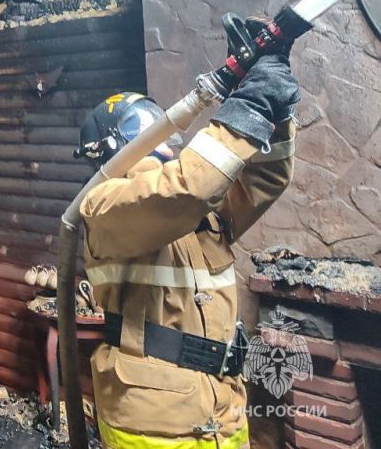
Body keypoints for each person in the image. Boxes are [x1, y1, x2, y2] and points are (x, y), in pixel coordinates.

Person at [73, 51, 299, 449]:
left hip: (222, 413)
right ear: (116, 146)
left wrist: (276, 110)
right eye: (146, 130)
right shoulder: (103, 205)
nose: (164, 139)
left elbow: (265, 178)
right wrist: (248, 106)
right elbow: (188, 188)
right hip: (156, 428)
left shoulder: (193, 204)